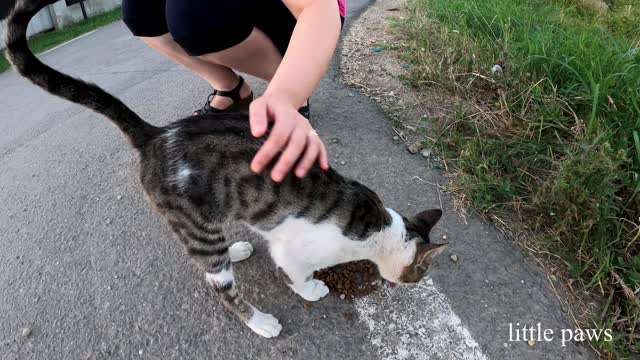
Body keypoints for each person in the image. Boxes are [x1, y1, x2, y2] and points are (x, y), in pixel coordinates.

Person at [122, 0, 346, 183]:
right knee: (140, 12)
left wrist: (286, 93)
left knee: (196, 15)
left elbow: (317, 8)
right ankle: (231, 90)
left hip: (298, 17)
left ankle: (289, 87)